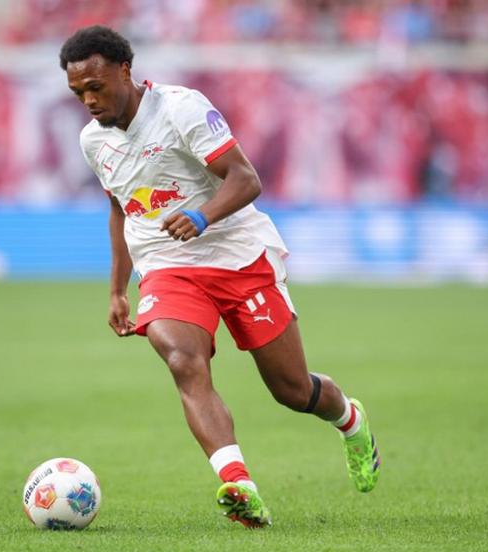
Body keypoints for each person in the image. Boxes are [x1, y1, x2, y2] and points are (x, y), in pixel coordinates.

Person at [59, 25, 381, 528]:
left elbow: (246, 177)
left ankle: (350, 419)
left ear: (126, 69)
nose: (89, 100)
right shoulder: (92, 141)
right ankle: (239, 485)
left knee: (292, 390)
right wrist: (117, 289)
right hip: (167, 266)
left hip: (237, 257)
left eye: (96, 86)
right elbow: (120, 211)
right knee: (183, 359)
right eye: (78, 92)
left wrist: (203, 216)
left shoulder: (181, 109)